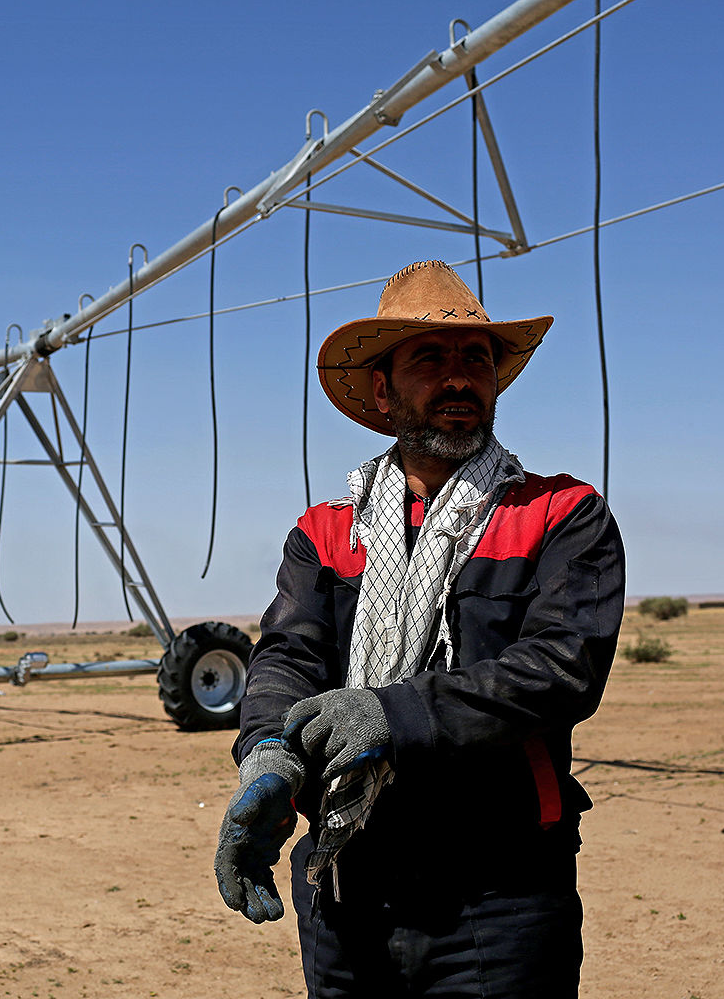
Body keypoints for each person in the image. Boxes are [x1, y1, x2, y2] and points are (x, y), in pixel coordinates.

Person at [214, 260, 625, 997]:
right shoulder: (326, 532)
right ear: (382, 390)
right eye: (429, 359)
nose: (459, 378)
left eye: (476, 359)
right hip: (346, 889)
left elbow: (563, 668)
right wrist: (269, 759)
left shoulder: (562, 515)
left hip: (499, 899)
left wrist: (389, 714)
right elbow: (287, 658)